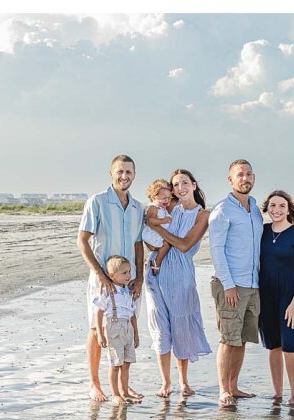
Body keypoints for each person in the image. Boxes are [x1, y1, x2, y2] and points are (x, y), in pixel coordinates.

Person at [78, 155, 145, 402]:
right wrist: (100, 274)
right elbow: (82, 241)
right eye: (119, 171)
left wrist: (139, 277)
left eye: (128, 171)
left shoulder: (138, 207)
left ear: (134, 175)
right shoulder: (97, 202)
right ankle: (95, 383)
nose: (124, 176)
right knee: (98, 329)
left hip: (129, 282)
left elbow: (139, 244)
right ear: (111, 173)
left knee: (125, 328)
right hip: (103, 281)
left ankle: (123, 387)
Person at [143, 168, 212, 398]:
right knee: (160, 328)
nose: (180, 188)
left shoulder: (203, 215)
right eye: (175, 185)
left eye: (184, 183)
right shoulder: (170, 208)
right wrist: (155, 237)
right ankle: (165, 383)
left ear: (193, 185)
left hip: (181, 274)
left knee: (181, 327)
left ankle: (184, 382)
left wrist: (158, 229)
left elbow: (184, 245)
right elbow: (149, 230)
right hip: (156, 271)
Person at [208, 159, 264, 409]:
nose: (246, 178)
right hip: (231, 284)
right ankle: (223, 390)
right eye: (240, 175)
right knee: (228, 338)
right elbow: (216, 250)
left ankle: (234, 386)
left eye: (249, 174)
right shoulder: (222, 210)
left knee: (242, 339)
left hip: (253, 284)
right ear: (230, 180)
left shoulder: (254, 207)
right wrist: (228, 285)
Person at [258, 190, 294, 406]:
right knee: (273, 346)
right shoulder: (262, 231)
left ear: (289, 209)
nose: (276, 210)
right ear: (267, 208)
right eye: (272, 205)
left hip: (290, 297)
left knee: (290, 346)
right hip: (266, 295)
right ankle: (278, 393)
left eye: (281, 206)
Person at [91, 256, 142, 405]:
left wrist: (136, 334)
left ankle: (125, 392)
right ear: (112, 275)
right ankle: (115, 394)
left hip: (128, 329)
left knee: (126, 363)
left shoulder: (128, 292)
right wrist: (100, 334)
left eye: (129, 272)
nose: (128, 276)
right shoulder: (108, 291)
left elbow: (133, 316)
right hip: (114, 328)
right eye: (124, 273)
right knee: (115, 364)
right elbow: (99, 312)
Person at [142, 179, 177, 275]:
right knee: (166, 244)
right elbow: (150, 220)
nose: (167, 200)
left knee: (166, 245)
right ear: (154, 197)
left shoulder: (162, 208)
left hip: (157, 233)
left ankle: (150, 261)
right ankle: (156, 262)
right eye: (164, 198)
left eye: (169, 198)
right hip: (151, 234)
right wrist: (162, 220)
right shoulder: (153, 208)